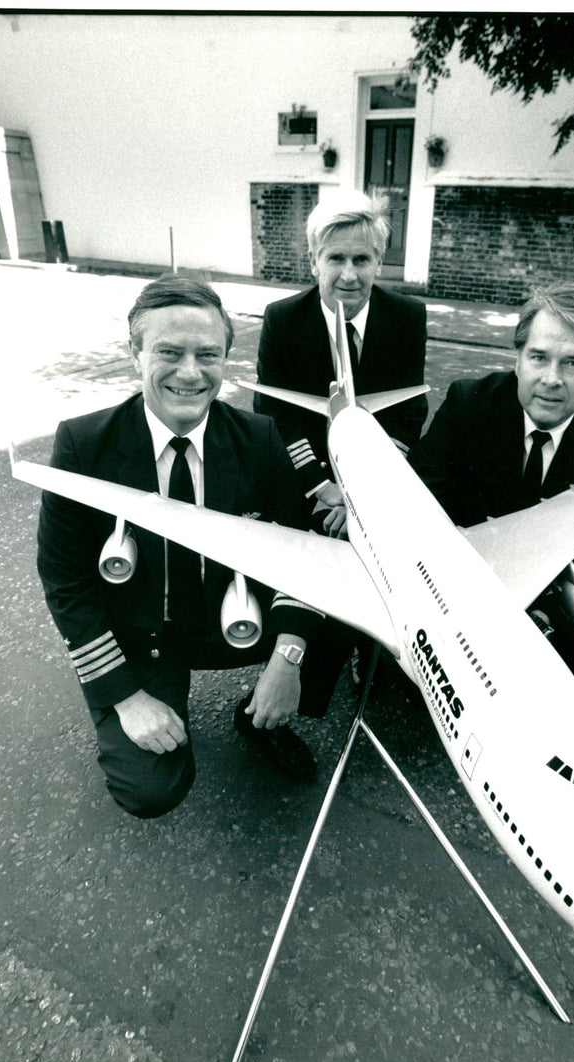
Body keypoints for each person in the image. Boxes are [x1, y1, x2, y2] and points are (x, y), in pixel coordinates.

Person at [37, 276, 343, 819]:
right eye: (169, 352)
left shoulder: (260, 438)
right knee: (150, 791)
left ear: (226, 358)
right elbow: (65, 581)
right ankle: (148, 700)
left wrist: (287, 660)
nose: (190, 373)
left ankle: (262, 717)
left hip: (231, 621)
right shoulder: (83, 444)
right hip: (141, 637)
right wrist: (128, 699)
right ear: (135, 354)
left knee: (343, 617)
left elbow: (303, 555)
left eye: (208, 354)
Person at [408, 281, 574, 698]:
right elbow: (418, 501)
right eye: (539, 357)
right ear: (518, 359)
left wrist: (544, 615)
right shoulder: (469, 402)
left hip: (545, 581)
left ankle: (543, 707)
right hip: (459, 564)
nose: (551, 379)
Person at [254, 188, 428, 538]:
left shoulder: (406, 317)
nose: (349, 275)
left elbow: (409, 410)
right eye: (336, 258)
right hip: (304, 482)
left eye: (361, 259)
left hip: (380, 487)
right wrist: (323, 488)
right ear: (313, 261)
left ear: (379, 261)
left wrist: (363, 493)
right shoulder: (283, 319)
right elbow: (273, 413)